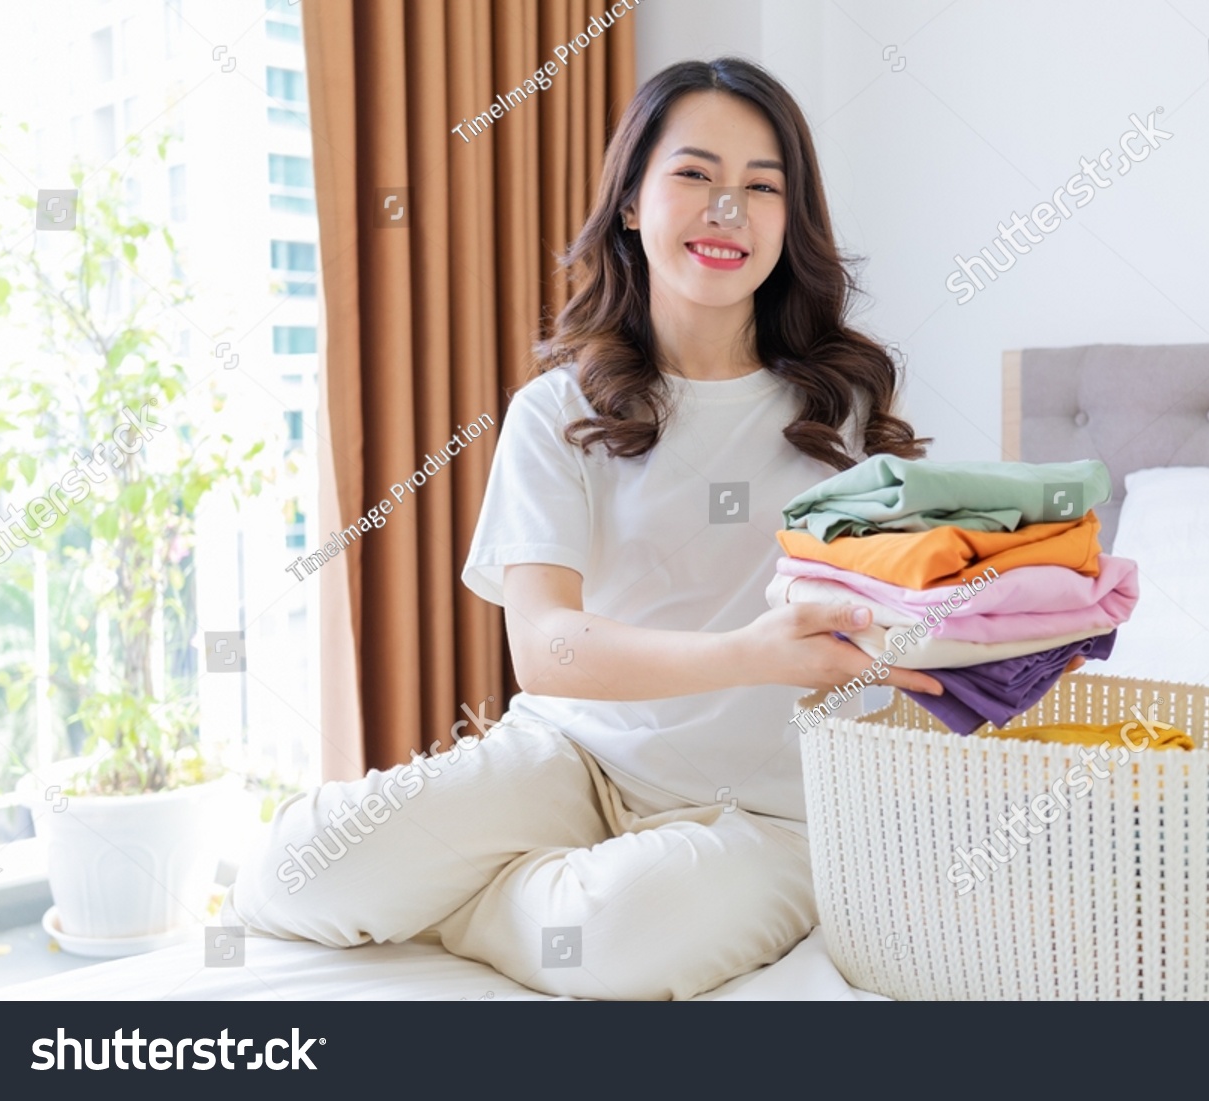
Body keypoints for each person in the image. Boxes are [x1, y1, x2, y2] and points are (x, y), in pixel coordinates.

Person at [224, 57, 1067, 1000]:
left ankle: (470, 899)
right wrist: (751, 653)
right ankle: (504, 879)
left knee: (612, 942)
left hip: (777, 807)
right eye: (695, 175)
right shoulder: (558, 411)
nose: (728, 210)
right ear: (631, 202)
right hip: (574, 759)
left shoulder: (850, 403)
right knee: (300, 870)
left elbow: (900, 600)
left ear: (791, 223)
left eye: (762, 187)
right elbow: (545, 648)